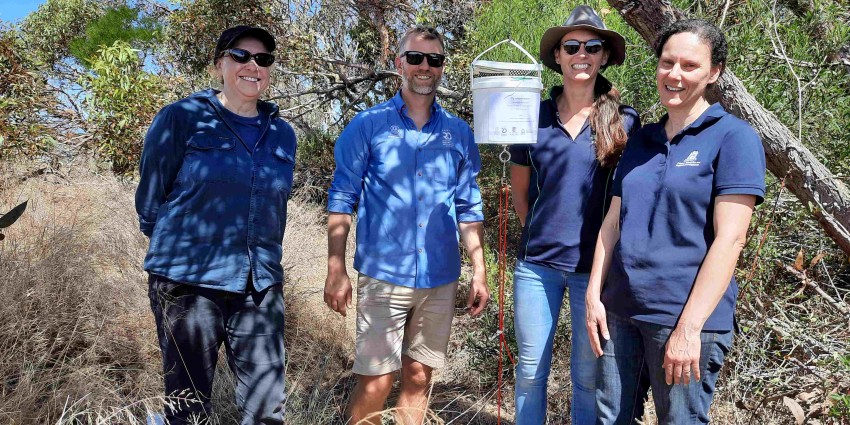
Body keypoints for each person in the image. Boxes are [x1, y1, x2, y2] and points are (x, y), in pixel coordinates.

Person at [585, 19, 766, 424]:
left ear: (714, 72)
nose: (675, 75)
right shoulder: (641, 140)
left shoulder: (734, 138)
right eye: (668, 63)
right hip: (620, 312)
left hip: (686, 319)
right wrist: (594, 295)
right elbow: (612, 222)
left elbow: (730, 240)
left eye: (690, 65)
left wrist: (689, 328)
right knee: (610, 418)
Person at [323, 25, 490, 425]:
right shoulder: (369, 125)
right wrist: (335, 268)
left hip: (440, 278)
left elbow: (468, 205)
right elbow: (343, 197)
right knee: (377, 383)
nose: (424, 67)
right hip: (385, 276)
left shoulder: (458, 133)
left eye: (434, 60)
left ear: (442, 68)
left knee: (419, 377)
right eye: (415, 58)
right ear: (398, 63)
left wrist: (479, 270)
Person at [135, 25, 293, 424]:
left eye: (263, 59)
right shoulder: (181, 118)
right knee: (187, 406)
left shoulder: (282, 134)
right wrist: (182, 250)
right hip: (188, 280)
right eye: (240, 56)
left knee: (267, 409)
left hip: (259, 285)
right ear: (220, 63)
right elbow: (151, 199)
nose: (252, 65)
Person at [509, 6, 641, 425]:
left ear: (604, 56)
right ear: (558, 57)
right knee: (531, 373)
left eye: (592, 46)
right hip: (537, 268)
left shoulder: (625, 121)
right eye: (571, 46)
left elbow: (627, 202)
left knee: (587, 377)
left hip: (596, 272)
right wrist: (543, 232)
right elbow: (520, 194)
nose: (581, 53)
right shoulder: (530, 116)